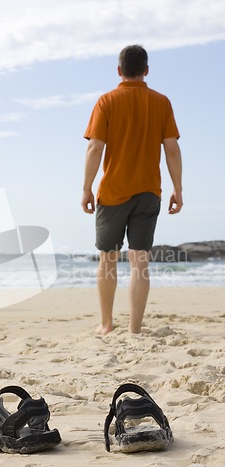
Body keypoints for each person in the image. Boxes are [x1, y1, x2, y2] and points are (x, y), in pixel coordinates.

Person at [82, 45, 183, 335]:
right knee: (140, 262)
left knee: (108, 259)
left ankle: (106, 324)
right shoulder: (161, 102)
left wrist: (86, 188)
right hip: (149, 191)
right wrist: (178, 188)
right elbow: (172, 148)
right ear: (146, 71)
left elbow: (95, 147)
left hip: (113, 192)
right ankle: (135, 329)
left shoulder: (107, 101)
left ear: (118, 70)